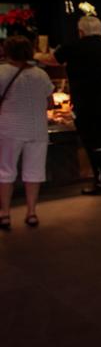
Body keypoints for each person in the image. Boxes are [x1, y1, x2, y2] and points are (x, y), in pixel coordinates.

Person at [36, 16, 101, 195]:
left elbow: (52, 60)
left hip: (86, 100)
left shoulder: (73, 46)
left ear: (81, 31)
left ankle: (100, 183)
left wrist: (34, 55)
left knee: (93, 141)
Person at [0, 36, 54, 229]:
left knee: (5, 171)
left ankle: (5, 214)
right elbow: (50, 103)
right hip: (37, 129)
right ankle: (31, 213)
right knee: (34, 171)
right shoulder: (41, 74)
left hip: (9, 129)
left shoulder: (2, 72)